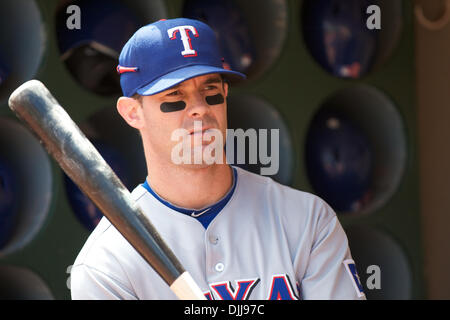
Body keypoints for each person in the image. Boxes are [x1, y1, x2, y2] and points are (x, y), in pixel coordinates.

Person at [70, 17, 366, 300]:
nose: (199, 108)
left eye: (209, 90)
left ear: (225, 93)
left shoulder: (307, 222)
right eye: (174, 95)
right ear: (133, 113)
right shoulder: (107, 263)